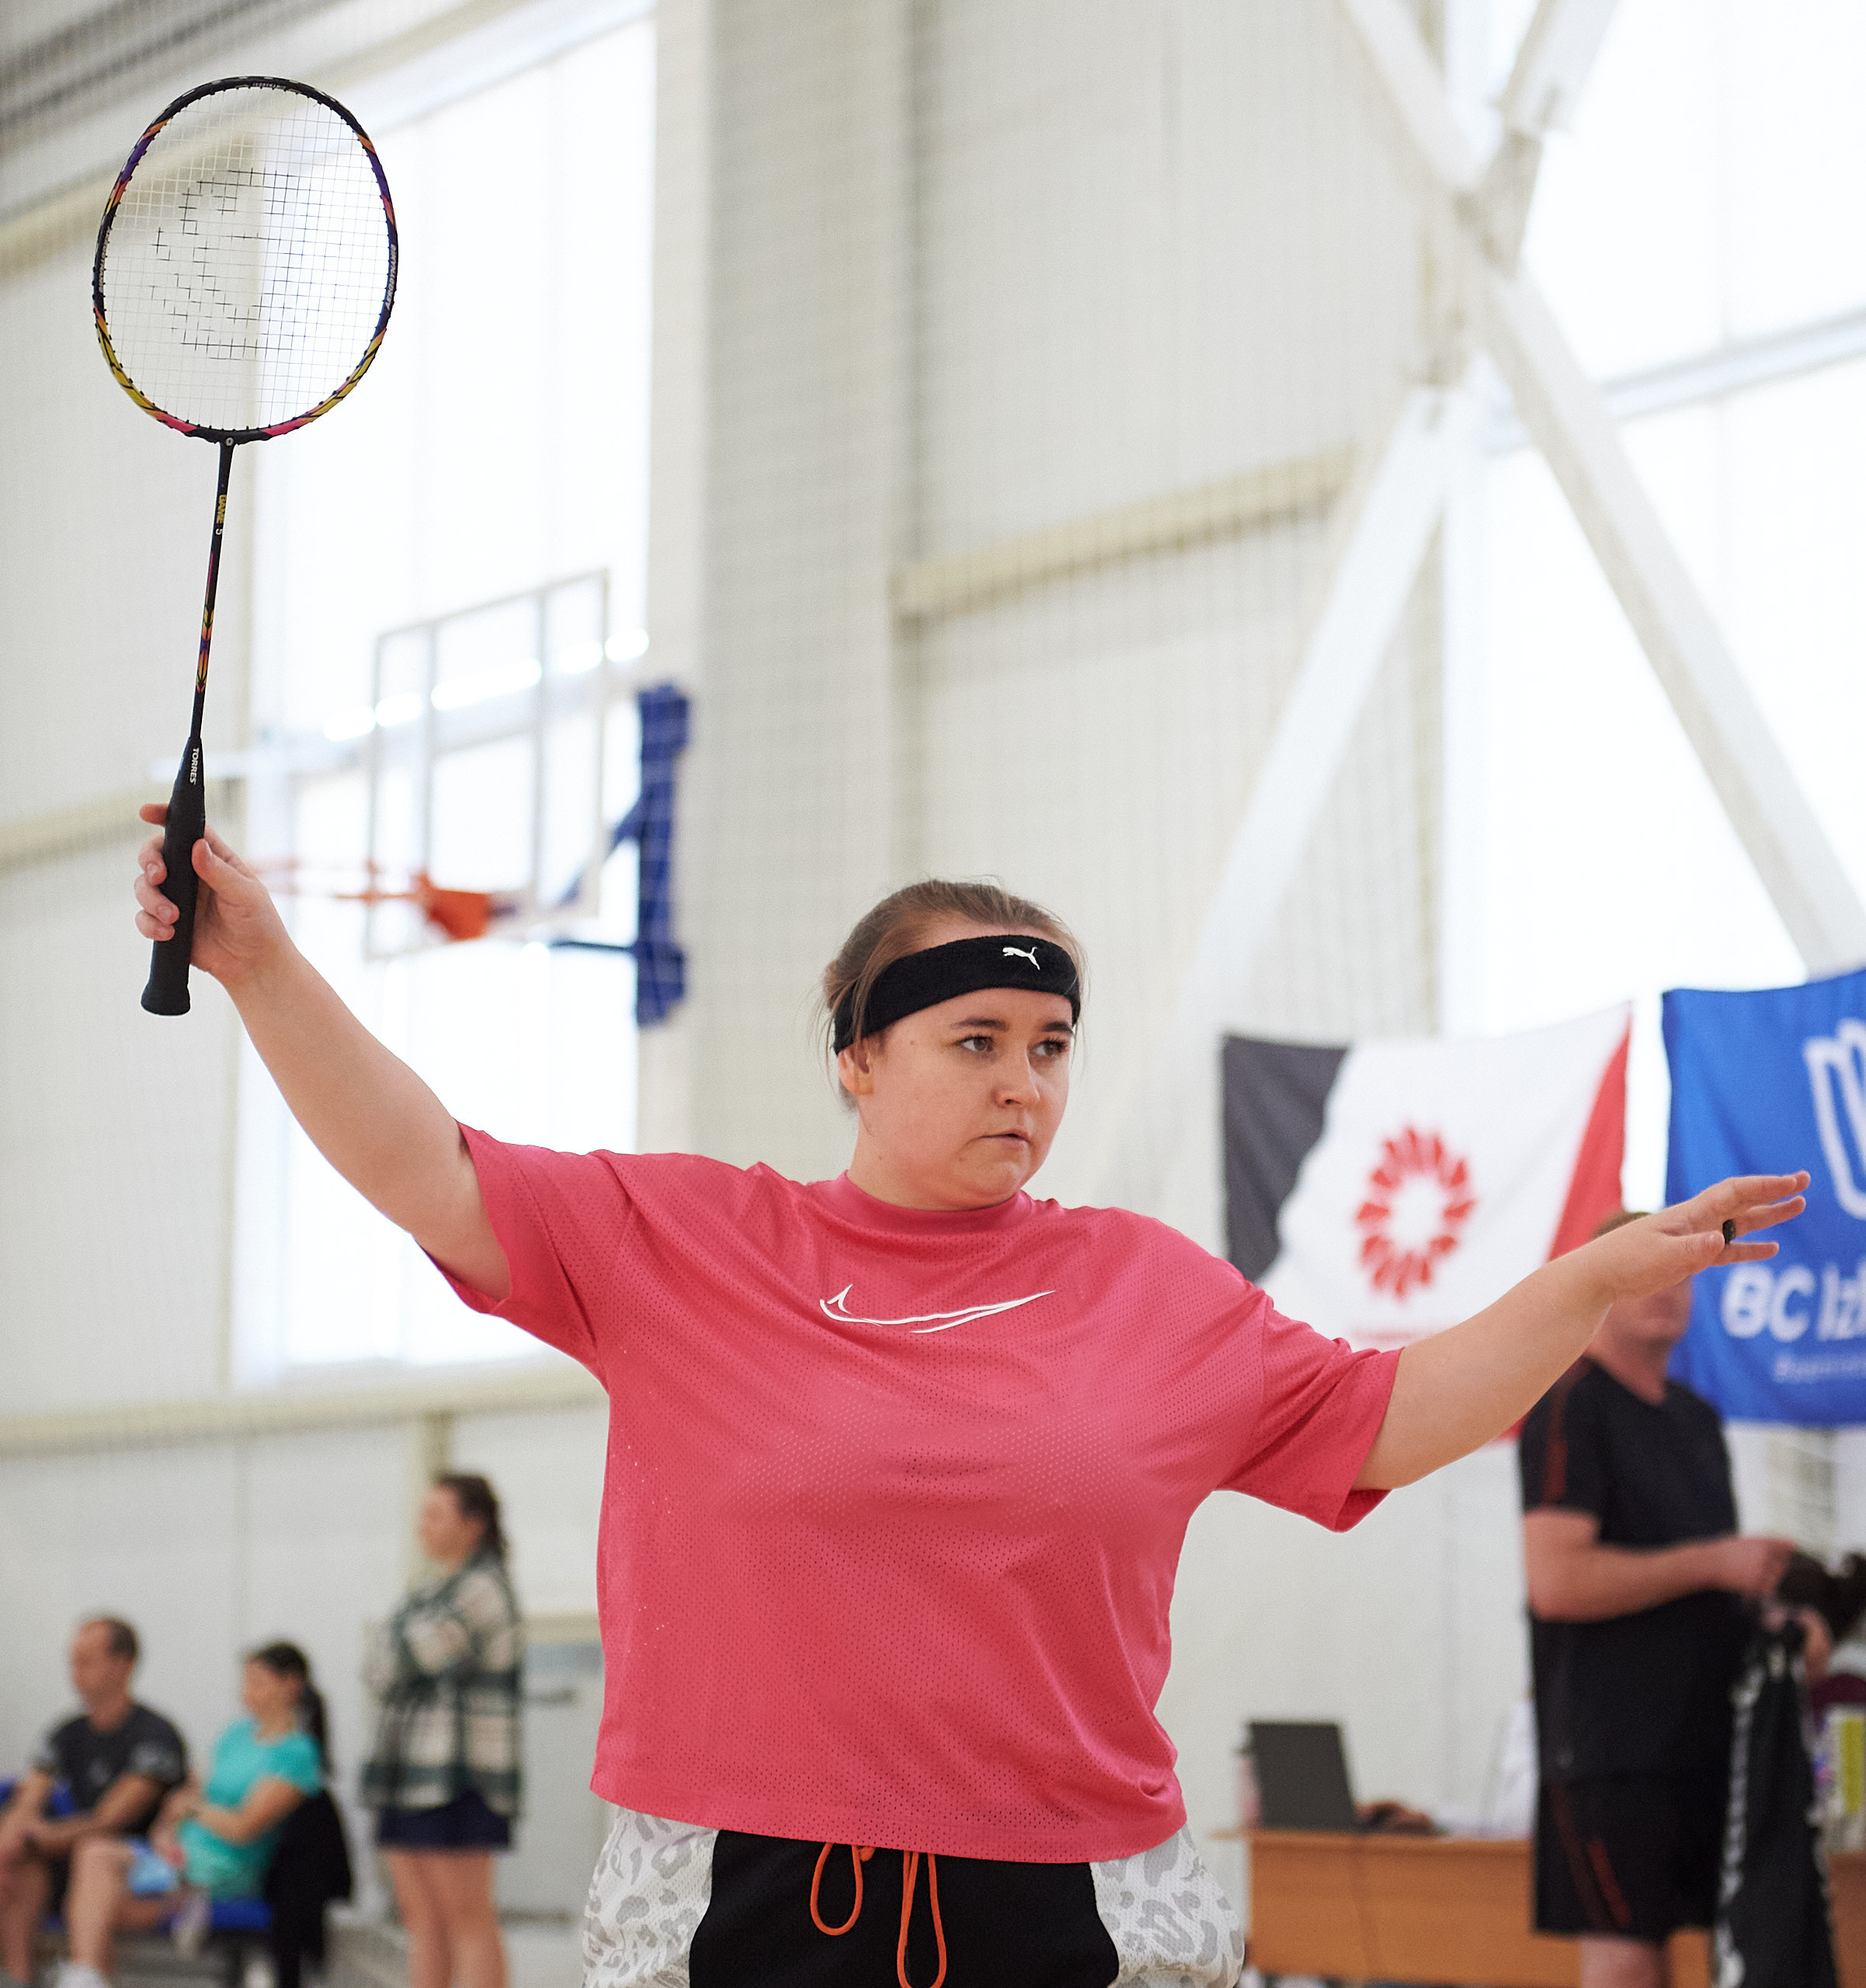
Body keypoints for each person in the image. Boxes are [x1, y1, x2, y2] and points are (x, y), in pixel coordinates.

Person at [132, 815, 1809, 1987]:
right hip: (740, 1892)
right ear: (859, 1059)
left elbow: (1389, 1415)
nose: (1024, 1080)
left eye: (1051, 1044)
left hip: (1081, 1891)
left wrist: (1582, 1280)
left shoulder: (1150, 1287)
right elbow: (425, 1165)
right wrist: (260, 962)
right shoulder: (686, 1240)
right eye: (976, 1039)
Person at [1518, 1209, 1831, 1988]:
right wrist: (1714, 1562)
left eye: (1682, 1272)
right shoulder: (1569, 1405)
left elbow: (1711, 1588)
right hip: (1609, 1754)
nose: (1668, 1289)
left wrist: (1779, 1623)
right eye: (1648, 1270)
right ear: (1604, 1281)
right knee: (1627, 1957)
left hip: (1702, 1743)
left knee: (1730, 1952)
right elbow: (1556, 1582)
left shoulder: (1695, 1419)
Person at [55, 1643, 325, 1988]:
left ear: (291, 1685)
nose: (247, 1691)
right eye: (246, 1681)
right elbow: (184, 1795)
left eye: (259, 1682)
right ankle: (88, 1975)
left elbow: (243, 1827)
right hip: (177, 1857)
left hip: (225, 1870)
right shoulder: (235, 1734)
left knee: (93, 1901)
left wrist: (196, 1810)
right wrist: (164, 1832)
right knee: (93, 1864)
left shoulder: (297, 1752)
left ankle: (91, 1971)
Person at [362, 1474, 521, 1988]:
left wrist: (391, 1649)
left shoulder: (484, 1587)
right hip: (405, 1772)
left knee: (466, 1918)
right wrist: (390, 1652)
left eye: (436, 1515)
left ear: (473, 1525)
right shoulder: (427, 1590)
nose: (422, 1526)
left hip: (459, 1776)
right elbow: (375, 1668)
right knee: (421, 1921)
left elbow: (406, 1657)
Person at [0, 1618, 186, 1988]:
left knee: (93, 1853)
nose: (75, 1671)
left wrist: (34, 1839)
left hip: (141, 1867)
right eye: (73, 1661)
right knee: (23, 1867)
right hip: (71, 1858)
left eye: (86, 1661)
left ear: (123, 1665)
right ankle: (18, 1979)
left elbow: (111, 1819)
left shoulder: (156, 1735)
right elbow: (29, 1798)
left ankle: (85, 1975)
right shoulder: (66, 1733)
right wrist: (9, 1847)